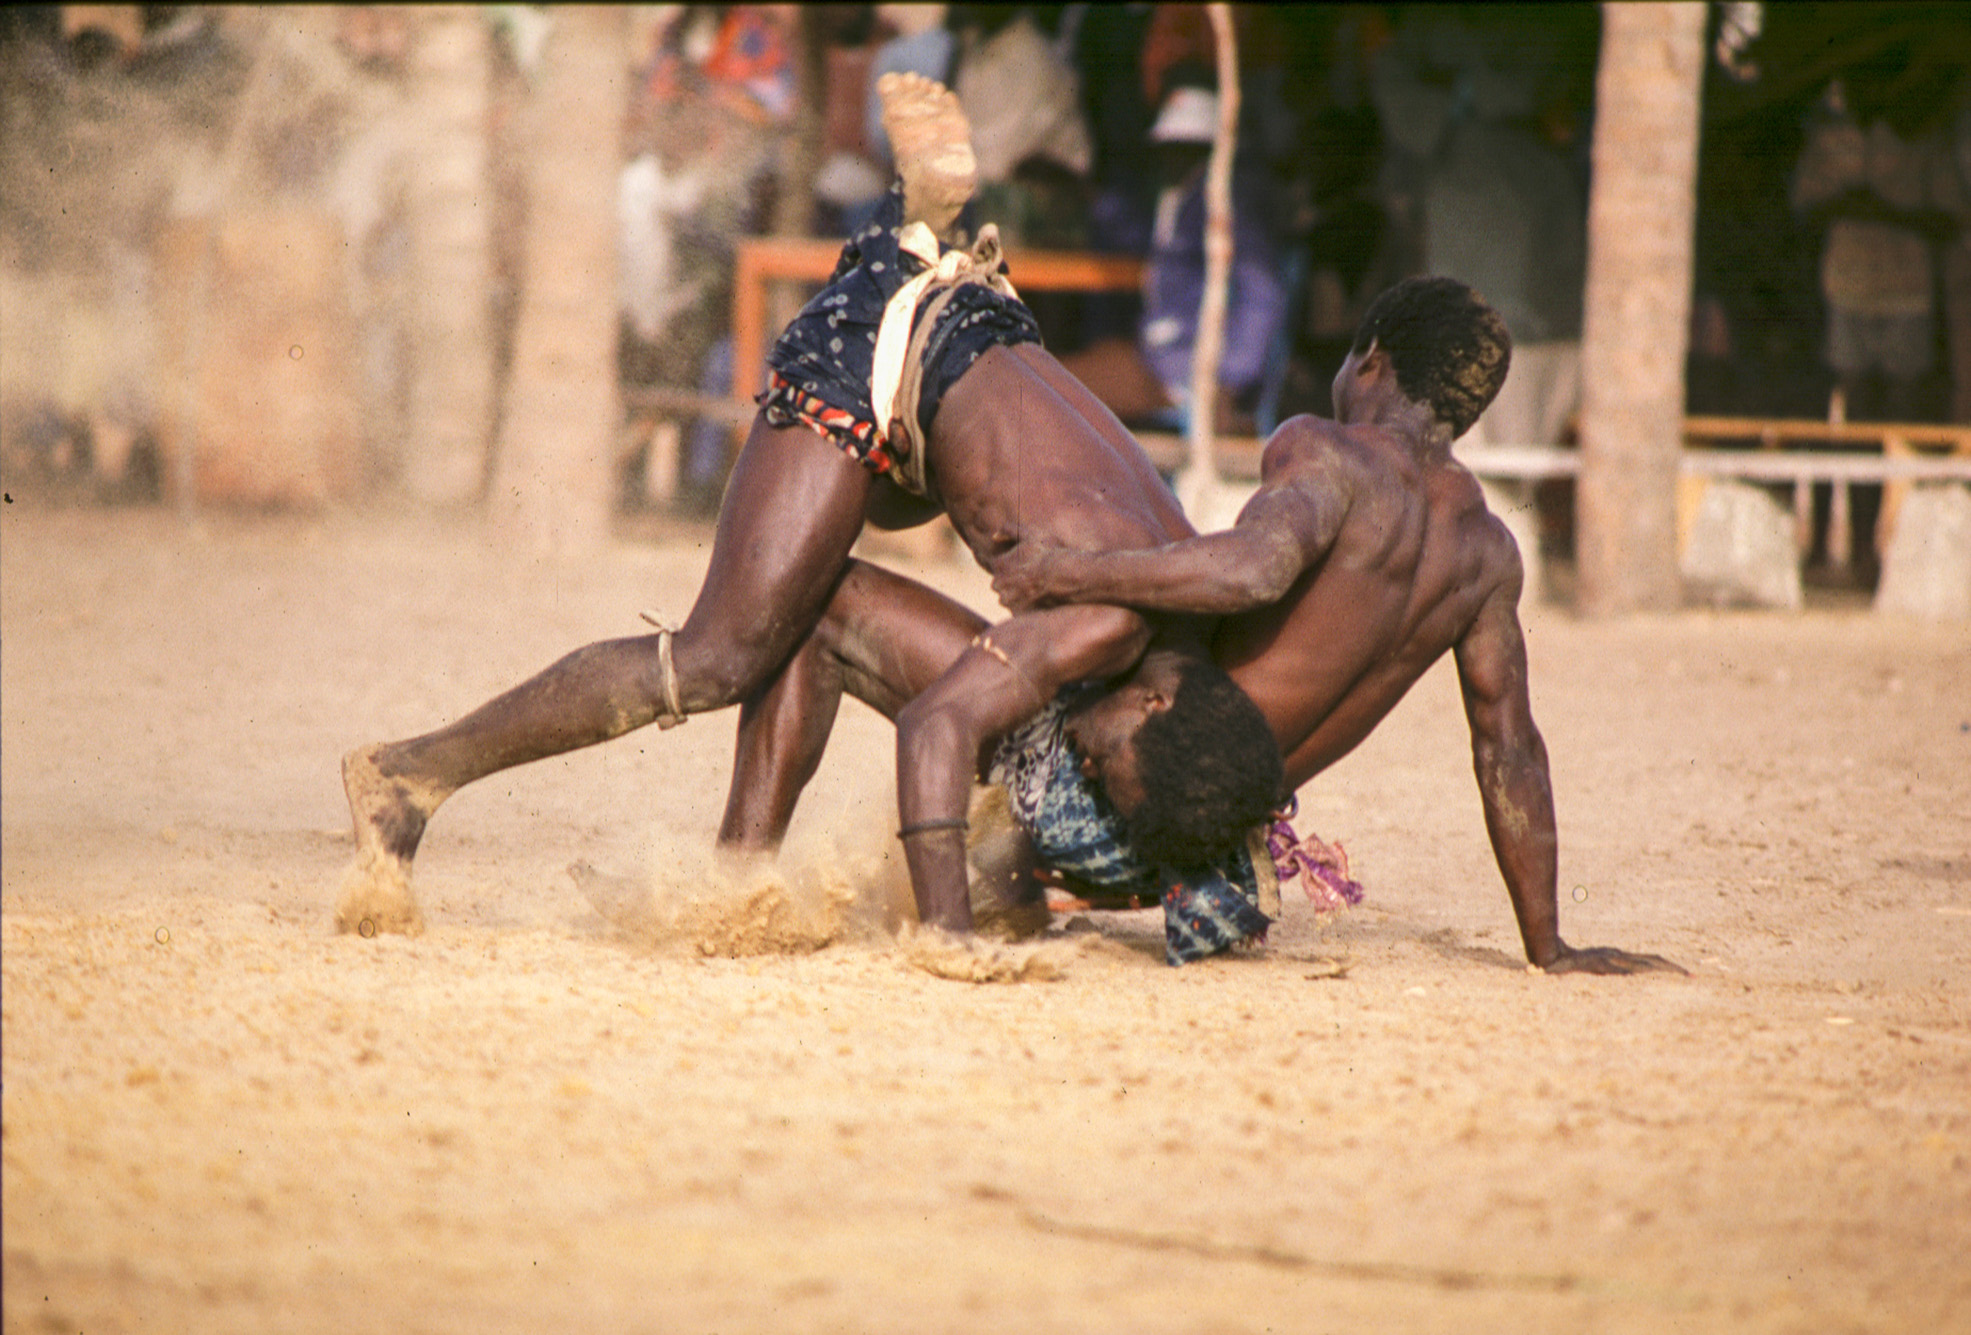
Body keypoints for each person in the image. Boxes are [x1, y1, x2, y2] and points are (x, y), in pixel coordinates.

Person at [338, 74, 1280, 945]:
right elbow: (935, 729)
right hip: (885, 354)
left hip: (972, 349)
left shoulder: (1185, 596)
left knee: (814, 609)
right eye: (1111, 763)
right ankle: (411, 773)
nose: (1089, 761)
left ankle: (730, 881)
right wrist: (946, 934)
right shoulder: (1105, 628)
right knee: (718, 656)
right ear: (1158, 701)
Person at [737, 277, 1678, 976]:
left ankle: (735, 883)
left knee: (824, 608)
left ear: (1373, 360)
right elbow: (1509, 751)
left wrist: (1069, 570)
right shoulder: (1486, 555)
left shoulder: (1330, 452)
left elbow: (1254, 567)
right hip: (1208, 851)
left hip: (1102, 799)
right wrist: (1546, 943)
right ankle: (1010, 887)